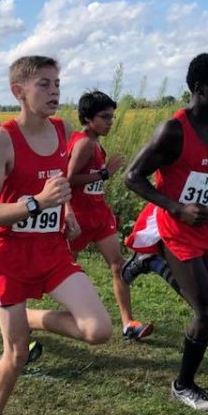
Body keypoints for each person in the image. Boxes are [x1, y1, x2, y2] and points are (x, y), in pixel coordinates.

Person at [0, 55, 112, 415]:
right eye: (44, 84)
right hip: (9, 254)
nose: (54, 92)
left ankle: (28, 317)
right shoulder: (2, 139)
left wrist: (63, 212)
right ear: (19, 92)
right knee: (15, 353)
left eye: (57, 83)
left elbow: (56, 180)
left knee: (98, 330)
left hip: (51, 251)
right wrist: (37, 204)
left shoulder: (63, 130)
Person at [124, 53, 208, 413]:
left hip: (204, 227)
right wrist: (176, 207)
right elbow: (132, 177)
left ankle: (150, 263)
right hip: (174, 226)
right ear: (200, 88)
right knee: (204, 311)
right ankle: (184, 385)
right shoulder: (172, 130)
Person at [67, 90, 152, 341]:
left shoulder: (93, 142)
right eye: (105, 117)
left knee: (119, 266)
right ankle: (23, 316)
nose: (110, 122)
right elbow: (68, 179)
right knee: (60, 270)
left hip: (99, 215)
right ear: (88, 118)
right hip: (79, 218)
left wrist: (101, 176)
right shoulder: (83, 143)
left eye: (112, 117)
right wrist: (104, 174)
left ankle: (128, 323)